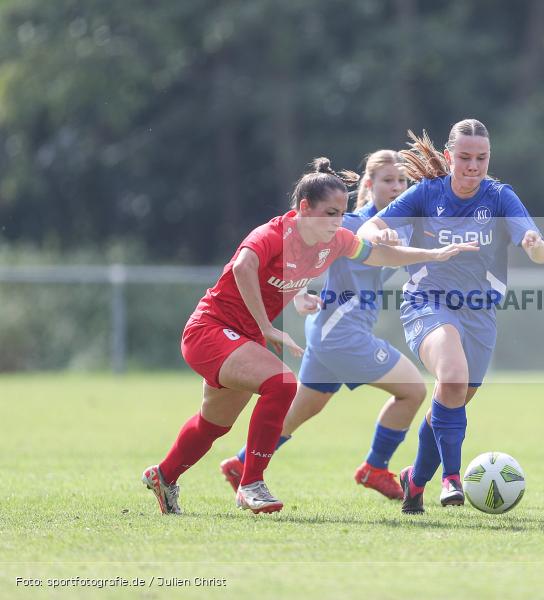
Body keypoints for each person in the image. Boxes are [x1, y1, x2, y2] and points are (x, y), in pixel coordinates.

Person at [141, 157, 477, 515]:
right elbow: (243, 266)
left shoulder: (332, 241)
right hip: (208, 330)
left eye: (342, 213)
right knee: (282, 385)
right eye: (331, 213)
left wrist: (434, 254)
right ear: (304, 208)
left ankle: (163, 475)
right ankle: (251, 483)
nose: (338, 221)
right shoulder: (273, 234)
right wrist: (267, 327)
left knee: (213, 426)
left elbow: (381, 254)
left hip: (240, 339)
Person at [358, 120, 544, 514]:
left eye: (481, 158)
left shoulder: (499, 197)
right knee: (452, 375)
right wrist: (383, 235)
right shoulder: (427, 194)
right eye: (464, 157)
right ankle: (452, 476)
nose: (473, 166)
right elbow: (369, 228)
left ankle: (414, 480)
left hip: (479, 314)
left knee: (453, 397)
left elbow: (536, 244)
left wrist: (534, 244)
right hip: (426, 302)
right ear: (449, 157)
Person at [218, 150, 424, 501]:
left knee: (301, 410)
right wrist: (299, 294)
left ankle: (240, 464)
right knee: (414, 390)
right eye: (388, 180)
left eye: (402, 181)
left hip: (329, 330)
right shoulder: (350, 222)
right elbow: (298, 247)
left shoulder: (393, 227)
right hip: (342, 333)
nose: (397, 187)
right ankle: (375, 467)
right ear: (370, 185)